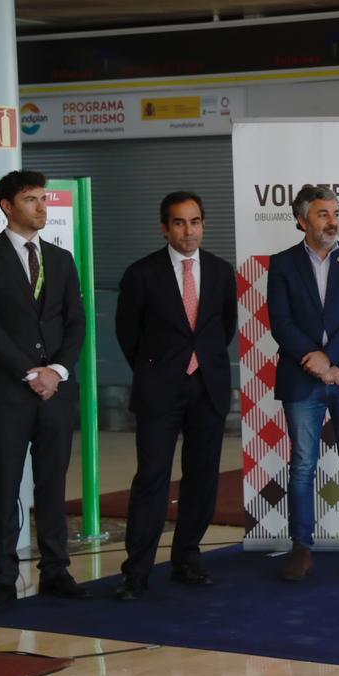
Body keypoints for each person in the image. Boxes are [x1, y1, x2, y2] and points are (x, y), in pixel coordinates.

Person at [113, 192, 238, 601]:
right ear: (165, 228)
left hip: (208, 388)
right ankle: (137, 571)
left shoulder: (221, 272)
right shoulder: (141, 273)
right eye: (180, 223)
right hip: (160, 390)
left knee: (202, 478)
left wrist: (202, 363)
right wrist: (157, 370)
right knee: (152, 478)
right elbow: (127, 334)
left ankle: (186, 560)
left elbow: (224, 328)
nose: (190, 231)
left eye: (196, 221)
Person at [267, 184, 339, 582]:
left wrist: (330, 360)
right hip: (302, 379)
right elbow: (281, 322)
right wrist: (316, 363)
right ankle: (301, 548)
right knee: (302, 465)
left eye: (335, 213)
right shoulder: (281, 264)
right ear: (302, 220)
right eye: (322, 214)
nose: (332, 221)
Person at [0, 170, 88, 610]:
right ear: (7, 206)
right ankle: (5, 577)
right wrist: (31, 372)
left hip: (56, 392)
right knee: (3, 485)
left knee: (52, 483)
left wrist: (58, 370)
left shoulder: (61, 259)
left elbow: (75, 322)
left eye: (43, 199)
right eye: (30, 200)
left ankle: (56, 569)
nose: (42, 207)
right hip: (7, 393)